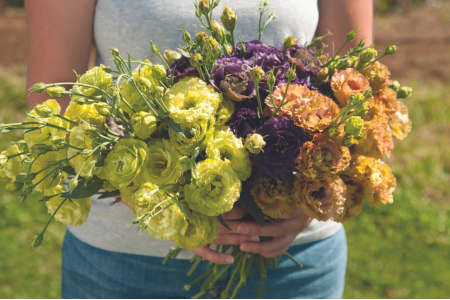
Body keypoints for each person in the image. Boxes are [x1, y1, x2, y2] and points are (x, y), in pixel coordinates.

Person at [25, 0, 373, 298]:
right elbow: (53, 98)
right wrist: (144, 193)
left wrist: (310, 200)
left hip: (294, 265)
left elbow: (355, 89)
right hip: (128, 264)